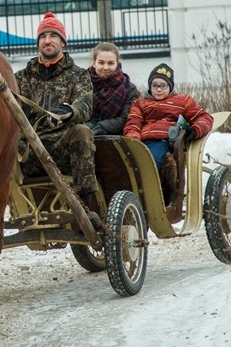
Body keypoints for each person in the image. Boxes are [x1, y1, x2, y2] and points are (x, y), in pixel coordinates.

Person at [14, 12, 99, 215]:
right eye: (43, 36)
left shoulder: (78, 75)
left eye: (53, 36)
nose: (47, 40)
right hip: (28, 148)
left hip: (61, 146)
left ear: (63, 42)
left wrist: (68, 111)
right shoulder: (21, 77)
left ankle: (85, 206)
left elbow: (85, 105)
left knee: (82, 132)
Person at [123, 63, 213, 170]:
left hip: (165, 141)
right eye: (155, 85)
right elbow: (133, 123)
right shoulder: (140, 104)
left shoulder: (183, 101)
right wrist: (134, 142)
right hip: (143, 141)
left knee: (151, 161)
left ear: (170, 86)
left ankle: (150, 184)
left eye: (163, 85)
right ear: (150, 86)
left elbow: (204, 117)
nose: (159, 89)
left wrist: (196, 129)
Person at [85, 42, 140, 135]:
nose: (105, 67)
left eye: (110, 63)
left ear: (117, 64)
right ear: (94, 63)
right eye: (101, 62)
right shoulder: (82, 84)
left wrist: (102, 126)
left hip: (116, 137)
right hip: (83, 135)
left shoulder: (129, 88)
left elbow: (126, 118)